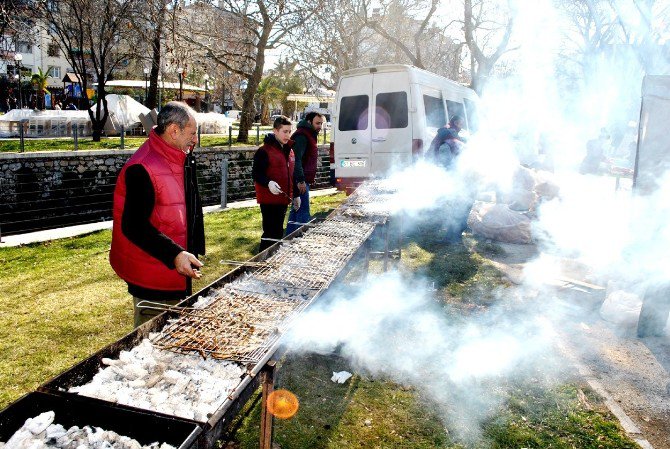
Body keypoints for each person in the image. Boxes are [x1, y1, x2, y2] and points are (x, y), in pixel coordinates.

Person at [110, 101, 205, 328]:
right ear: (174, 130)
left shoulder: (178, 157)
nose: (196, 140)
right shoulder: (142, 167)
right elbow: (133, 226)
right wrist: (175, 254)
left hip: (174, 267)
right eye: (192, 133)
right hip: (153, 274)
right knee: (151, 341)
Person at [252, 115, 297, 252]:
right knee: (270, 234)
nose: (288, 135)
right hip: (269, 200)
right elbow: (256, 174)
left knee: (277, 233)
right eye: (284, 131)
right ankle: (262, 263)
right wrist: (269, 183)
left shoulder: (289, 150)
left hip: (283, 199)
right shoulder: (264, 151)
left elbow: (290, 175)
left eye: (289, 131)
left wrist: (295, 195)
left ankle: (272, 260)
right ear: (275, 131)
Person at [285, 111, 325, 235]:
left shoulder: (310, 134)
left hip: (302, 179)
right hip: (300, 180)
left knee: (296, 210)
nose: (320, 126)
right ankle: (301, 241)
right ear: (309, 122)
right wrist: (301, 180)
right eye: (317, 123)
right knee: (303, 212)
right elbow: (296, 160)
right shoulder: (302, 136)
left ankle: (288, 240)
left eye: (321, 123)